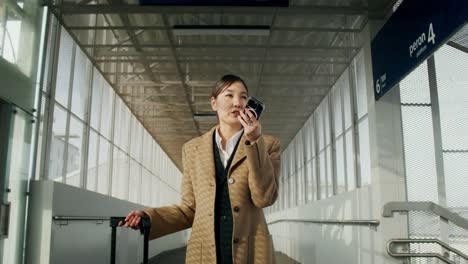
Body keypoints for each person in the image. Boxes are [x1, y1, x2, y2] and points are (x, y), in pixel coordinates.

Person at [120, 74, 281, 264]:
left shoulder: (268, 145)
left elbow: (264, 198)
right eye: (229, 95)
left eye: (243, 97)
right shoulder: (192, 149)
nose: (237, 102)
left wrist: (254, 141)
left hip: (252, 254)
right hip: (204, 254)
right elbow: (189, 209)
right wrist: (150, 217)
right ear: (214, 103)